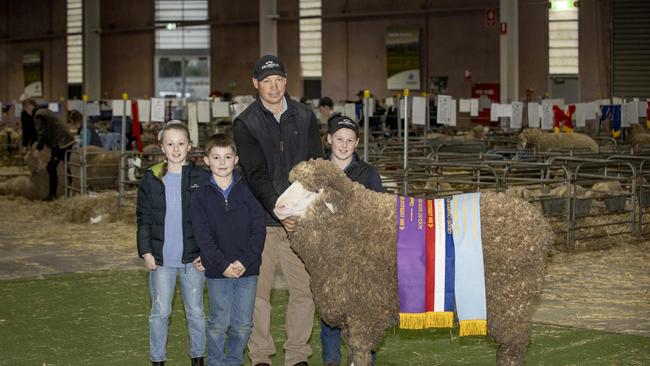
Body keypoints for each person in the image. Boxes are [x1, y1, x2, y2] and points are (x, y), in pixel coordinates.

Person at [232, 54, 323, 366]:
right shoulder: (245, 123)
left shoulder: (305, 116)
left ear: (287, 80)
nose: (274, 86)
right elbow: (255, 174)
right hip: (262, 221)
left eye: (279, 79)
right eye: (267, 81)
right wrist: (281, 212)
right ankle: (260, 356)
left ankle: (297, 354)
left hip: (302, 221)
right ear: (255, 83)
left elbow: (315, 166)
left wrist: (303, 210)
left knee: (305, 290)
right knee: (258, 293)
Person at [136, 121, 209, 366]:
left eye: (181, 143)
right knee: (159, 312)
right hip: (161, 260)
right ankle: (158, 359)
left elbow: (210, 218)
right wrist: (145, 250)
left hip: (193, 260)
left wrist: (207, 252)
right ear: (162, 147)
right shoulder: (152, 177)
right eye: (170, 144)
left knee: (196, 313)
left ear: (189, 146)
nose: (176, 149)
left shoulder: (201, 176)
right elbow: (143, 217)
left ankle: (197, 357)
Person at [191, 133, 266, 366]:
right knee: (218, 322)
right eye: (216, 157)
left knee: (243, 323)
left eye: (227, 157)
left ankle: (234, 361)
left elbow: (258, 230)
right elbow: (203, 236)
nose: (222, 163)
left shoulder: (250, 192)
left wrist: (244, 262)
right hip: (217, 270)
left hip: (248, 269)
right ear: (206, 160)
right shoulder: (200, 196)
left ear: (236, 159)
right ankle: (215, 361)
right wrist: (222, 265)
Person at [320, 115, 382, 366]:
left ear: (356, 143)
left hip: (360, 255)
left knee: (363, 313)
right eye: (338, 139)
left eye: (349, 140)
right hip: (326, 254)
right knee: (330, 313)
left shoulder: (368, 174)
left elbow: (379, 213)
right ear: (328, 139)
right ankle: (332, 361)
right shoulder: (318, 172)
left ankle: (364, 361)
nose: (343, 145)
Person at [23, 98, 75, 200]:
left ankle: (52, 194)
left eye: (25, 109)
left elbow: (42, 133)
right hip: (67, 139)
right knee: (69, 165)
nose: (26, 112)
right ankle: (72, 191)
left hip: (60, 142)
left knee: (51, 167)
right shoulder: (45, 111)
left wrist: (38, 149)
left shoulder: (38, 115)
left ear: (28, 106)